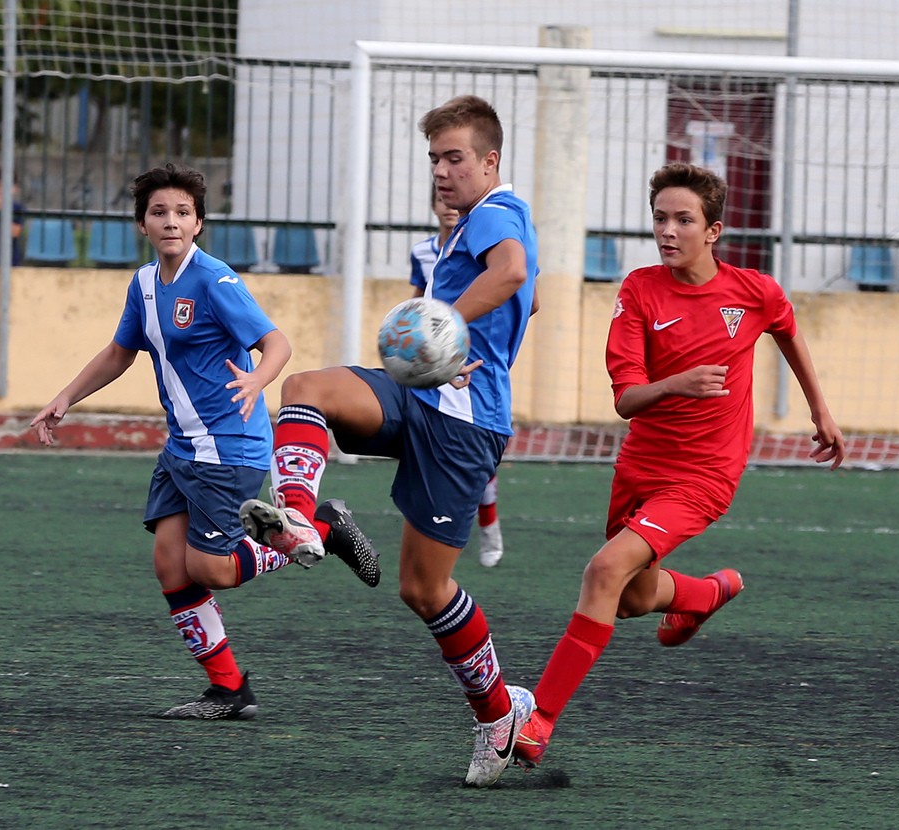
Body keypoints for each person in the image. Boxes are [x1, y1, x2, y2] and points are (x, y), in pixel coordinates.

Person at [240, 95, 539, 787]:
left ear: (490, 161)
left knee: (423, 589)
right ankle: (303, 520)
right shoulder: (464, 226)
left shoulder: (499, 209)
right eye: (434, 158)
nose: (441, 170)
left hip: (466, 426)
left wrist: (445, 328)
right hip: (419, 395)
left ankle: (498, 714)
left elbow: (514, 273)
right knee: (306, 389)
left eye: (454, 157)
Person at [512, 162, 846, 769]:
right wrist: (678, 384)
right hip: (641, 466)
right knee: (633, 597)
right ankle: (703, 593)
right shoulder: (640, 289)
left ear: (713, 230)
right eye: (660, 218)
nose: (668, 231)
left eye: (683, 220)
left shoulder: (754, 292)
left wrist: (821, 411)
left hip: (705, 476)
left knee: (603, 570)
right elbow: (625, 398)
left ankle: (537, 720)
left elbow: (788, 331)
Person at [30, 162, 376, 720]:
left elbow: (277, 343)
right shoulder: (143, 284)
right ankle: (230, 691)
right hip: (182, 448)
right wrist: (67, 396)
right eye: (159, 212)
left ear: (197, 224)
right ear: (142, 224)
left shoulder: (215, 279)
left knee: (211, 569)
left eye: (182, 213)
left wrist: (258, 380)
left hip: (228, 445)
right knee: (170, 564)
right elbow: (121, 351)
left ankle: (324, 531)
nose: (171, 221)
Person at [410, 186, 505, 567]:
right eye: (440, 200)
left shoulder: (489, 245)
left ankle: (489, 523)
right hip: (433, 360)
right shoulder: (422, 252)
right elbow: (418, 299)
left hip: (474, 360)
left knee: (480, 457)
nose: (448, 207)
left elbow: (521, 296)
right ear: (433, 205)